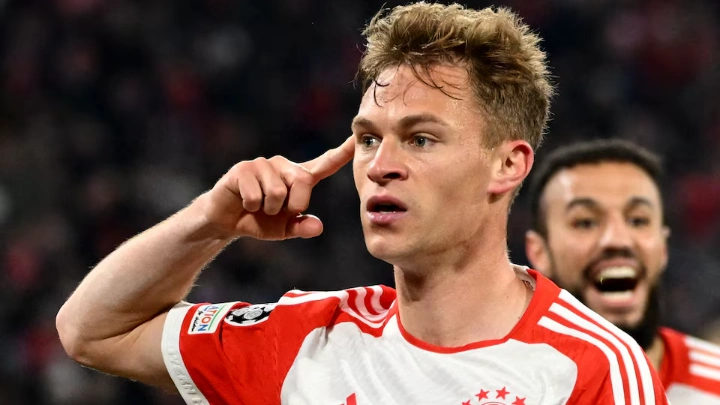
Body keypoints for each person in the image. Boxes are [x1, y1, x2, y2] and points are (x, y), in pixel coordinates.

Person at [57, 4, 667, 404]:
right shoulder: (305, 340)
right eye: (370, 138)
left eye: (421, 139)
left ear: (508, 165)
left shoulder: (592, 369)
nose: (380, 165)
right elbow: (91, 331)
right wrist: (210, 222)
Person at [525, 138, 720, 404]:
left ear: (662, 246)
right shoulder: (495, 388)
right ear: (539, 252)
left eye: (638, 220)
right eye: (585, 222)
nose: (618, 240)